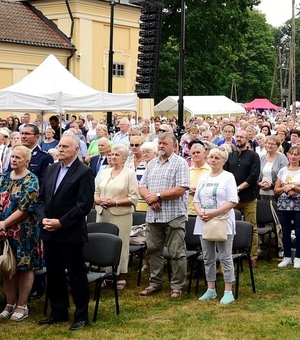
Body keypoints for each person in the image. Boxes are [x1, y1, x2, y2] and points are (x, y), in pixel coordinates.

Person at [37, 134, 95, 331]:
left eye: (65, 147)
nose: (60, 149)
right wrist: (43, 218)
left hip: (70, 232)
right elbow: (42, 198)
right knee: (54, 275)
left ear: (76, 150)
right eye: (59, 146)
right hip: (50, 232)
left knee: (76, 275)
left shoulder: (84, 172)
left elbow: (84, 205)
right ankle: (58, 312)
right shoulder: (52, 169)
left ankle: (81, 315)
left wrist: (61, 223)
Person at [0, 145, 42, 322]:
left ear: (26, 161)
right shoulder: (4, 178)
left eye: (18, 158)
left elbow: (26, 208)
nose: (14, 160)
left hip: (25, 232)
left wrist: (4, 224)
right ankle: (9, 303)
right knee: (7, 267)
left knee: (24, 267)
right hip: (3, 231)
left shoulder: (31, 180)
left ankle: (22, 305)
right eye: (12, 157)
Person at [138, 132, 190, 298]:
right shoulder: (152, 163)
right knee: (153, 251)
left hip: (173, 215)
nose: (161, 146)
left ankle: (177, 285)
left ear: (174, 146)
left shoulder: (180, 163)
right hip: (153, 216)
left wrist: (158, 195)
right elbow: (142, 186)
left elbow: (181, 188)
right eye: (159, 143)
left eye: (164, 143)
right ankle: (155, 283)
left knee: (176, 252)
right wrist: (149, 197)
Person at [193, 147, 239, 304]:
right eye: (211, 157)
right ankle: (211, 288)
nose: (213, 160)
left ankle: (228, 290)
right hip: (204, 221)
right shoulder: (204, 177)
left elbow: (232, 201)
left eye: (217, 158)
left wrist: (213, 213)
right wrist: (200, 212)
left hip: (222, 221)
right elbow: (196, 199)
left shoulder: (228, 177)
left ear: (224, 161)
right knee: (208, 257)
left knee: (225, 256)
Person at [94, 144, 138, 291]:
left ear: (124, 158)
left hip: (120, 215)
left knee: (121, 244)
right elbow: (96, 191)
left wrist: (116, 202)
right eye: (111, 154)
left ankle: (121, 276)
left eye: (116, 155)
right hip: (103, 213)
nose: (112, 157)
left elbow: (133, 198)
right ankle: (104, 275)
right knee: (102, 243)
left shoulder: (129, 174)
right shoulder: (104, 172)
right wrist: (98, 200)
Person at [224, 129, 261, 268]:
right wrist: (232, 192)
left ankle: (253, 256)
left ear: (247, 139)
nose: (238, 139)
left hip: (248, 198)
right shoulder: (230, 156)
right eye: (237, 136)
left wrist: (238, 189)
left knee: (252, 227)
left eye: (241, 137)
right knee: (229, 226)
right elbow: (226, 175)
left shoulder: (253, 156)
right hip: (232, 199)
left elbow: (253, 176)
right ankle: (230, 253)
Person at [274, 144, 300, 269]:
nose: (293, 156)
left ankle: (298, 257)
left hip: (299, 205)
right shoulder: (283, 170)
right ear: (288, 155)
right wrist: (285, 189)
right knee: (285, 231)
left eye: (296, 154)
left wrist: (293, 187)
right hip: (284, 204)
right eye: (291, 154)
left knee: (299, 230)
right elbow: (276, 190)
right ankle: (287, 256)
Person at [258, 135, 288, 256]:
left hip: (275, 193)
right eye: (268, 143)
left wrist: (272, 185)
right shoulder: (261, 157)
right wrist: (259, 183)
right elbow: (257, 174)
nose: (270, 146)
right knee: (261, 220)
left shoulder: (282, 158)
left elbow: (284, 175)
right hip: (261, 192)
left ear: (277, 145)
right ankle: (263, 244)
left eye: (272, 144)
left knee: (276, 220)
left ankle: (280, 246)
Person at [188, 142, 211, 215]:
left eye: (198, 152)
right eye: (193, 153)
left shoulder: (210, 171)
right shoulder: (188, 171)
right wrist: (188, 189)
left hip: (204, 211)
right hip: (189, 210)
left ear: (204, 154)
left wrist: (199, 191)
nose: (195, 154)